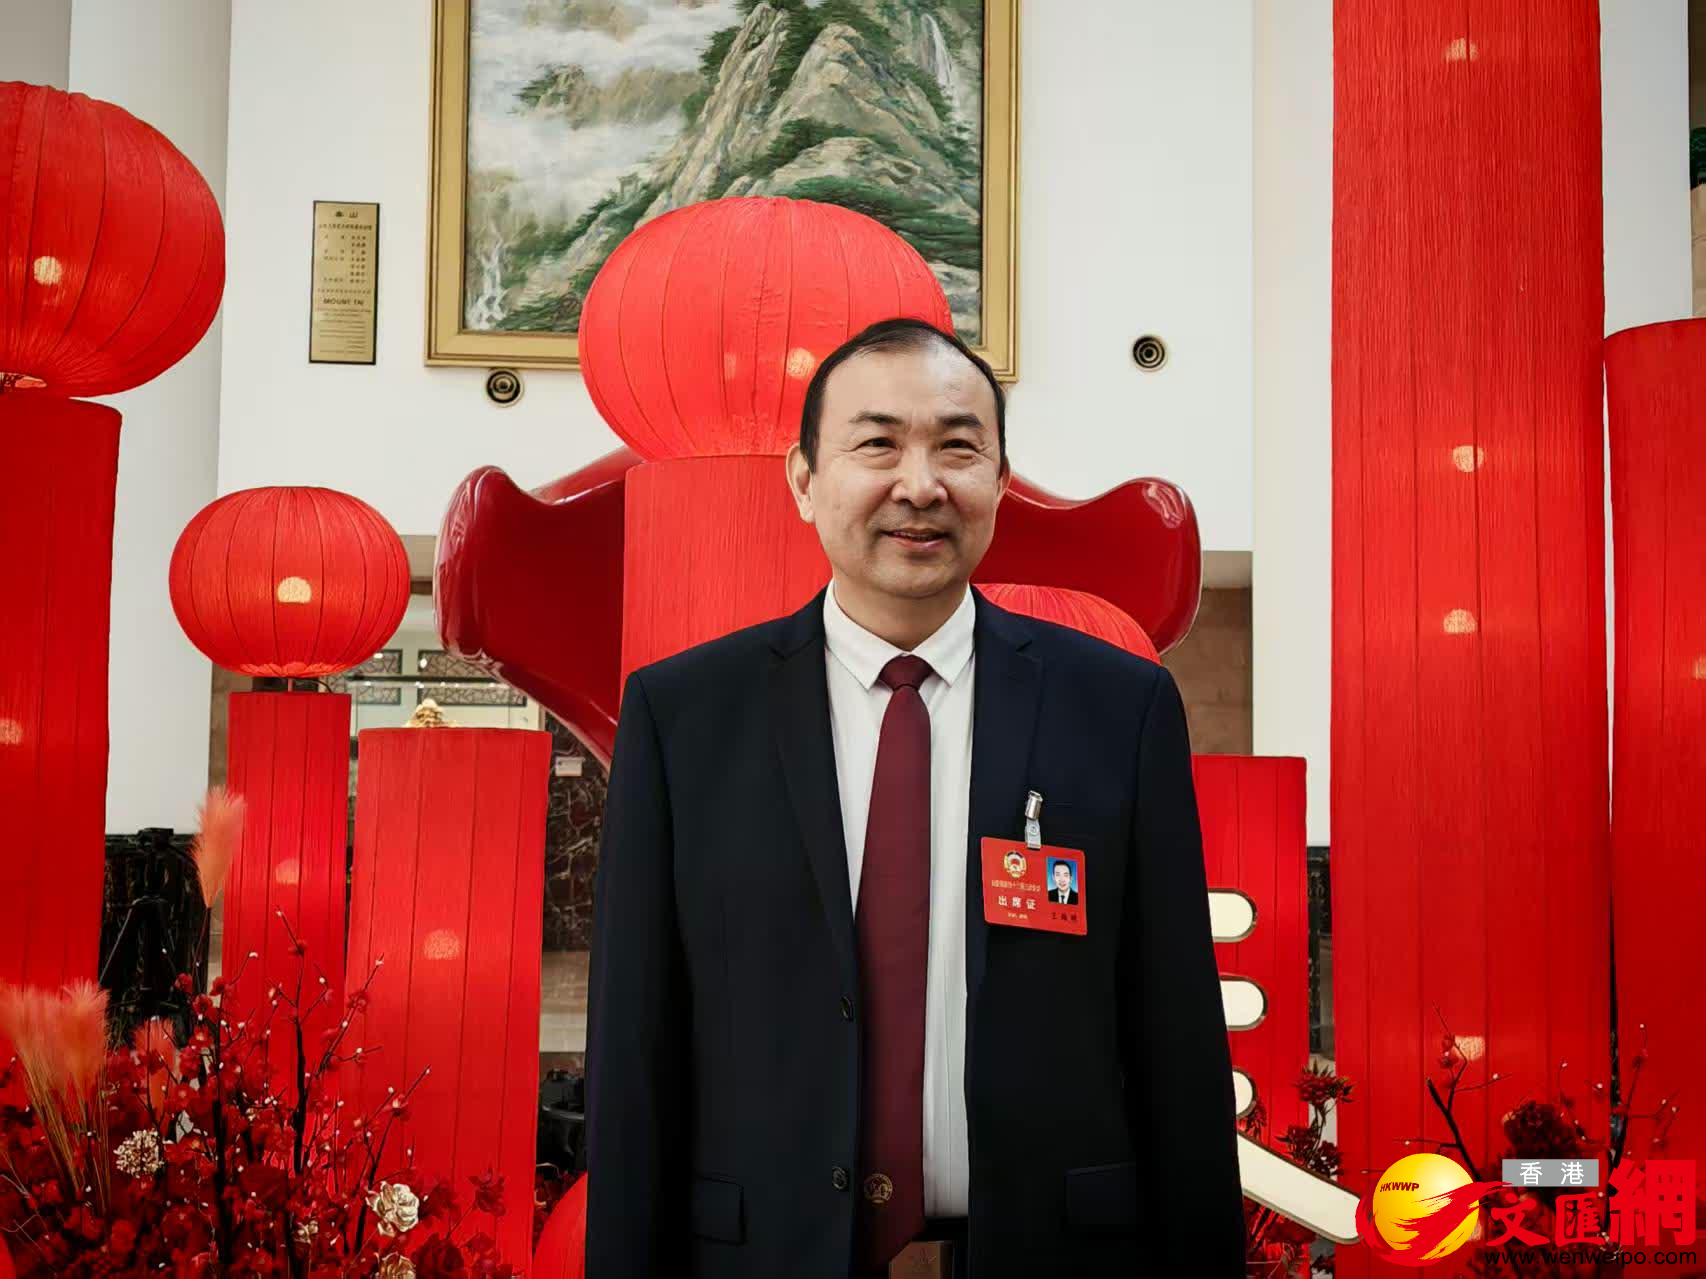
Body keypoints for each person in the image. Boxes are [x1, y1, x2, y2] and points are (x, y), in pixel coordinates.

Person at [585, 317, 1245, 1278]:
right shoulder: (685, 716)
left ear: (1001, 480)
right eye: (878, 443)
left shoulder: (1118, 707)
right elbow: (635, 1050)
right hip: (763, 1253)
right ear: (804, 478)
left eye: (958, 447)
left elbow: (1176, 1036)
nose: (921, 484)